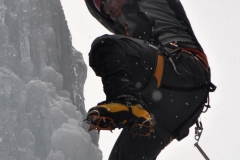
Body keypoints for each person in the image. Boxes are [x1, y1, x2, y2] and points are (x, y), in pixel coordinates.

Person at [84, 0, 216, 159]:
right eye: (104, 10)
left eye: (109, 1)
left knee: (105, 46)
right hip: (171, 111)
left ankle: (124, 101)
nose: (108, 11)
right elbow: (97, 11)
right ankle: (129, 105)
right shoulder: (123, 24)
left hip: (182, 69)